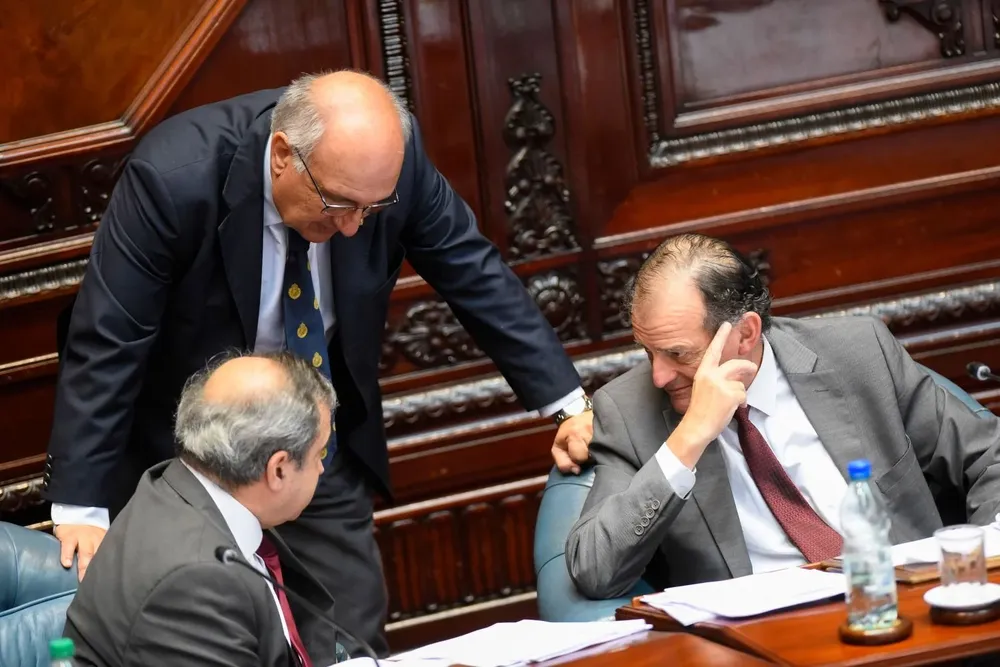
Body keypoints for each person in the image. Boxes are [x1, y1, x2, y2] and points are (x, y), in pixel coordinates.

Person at [44, 70, 594, 660]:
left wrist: (567, 404)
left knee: (350, 637)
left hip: (314, 440)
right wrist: (81, 505)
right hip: (198, 452)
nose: (355, 227)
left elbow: (474, 273)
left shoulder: (388, 167)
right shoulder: (175, 176)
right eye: (338, 204)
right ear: (283, 155)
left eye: (372, 209)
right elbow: (109, 336)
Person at [565, 233, 1000, 600]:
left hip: (903, 605)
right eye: (648, 351)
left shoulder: (858, 354)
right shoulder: (627, 410)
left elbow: (988, 454)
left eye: (678, 353)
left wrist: (982, 570)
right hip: (766, 641)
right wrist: (688, 439)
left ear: (746, 332)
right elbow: (595, 571)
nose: (658, 375)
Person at [64, 352, 337, 666]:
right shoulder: (197, 582)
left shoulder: (177, 486)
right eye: (320, 453)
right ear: (278, 470)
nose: (321, 469)